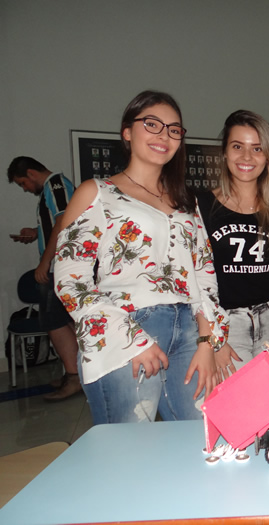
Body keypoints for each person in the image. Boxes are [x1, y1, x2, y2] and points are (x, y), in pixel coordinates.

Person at [53, 90, 232, 424]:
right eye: (152, 124)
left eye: (174, 129)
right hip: (125, 328)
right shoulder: (98, 193)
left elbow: (204, 274)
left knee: (203, 436)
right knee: (129, 445)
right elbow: (70, 279)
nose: (164, 135)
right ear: (127, 131)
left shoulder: (186, 201)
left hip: (189, 331)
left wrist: (207, 341)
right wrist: (130, 339)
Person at [198, 110, 269, 371]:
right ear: (225, 152)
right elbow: (195, 279)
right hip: (228, 324)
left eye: (257, 148)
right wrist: (214, 339)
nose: (247, 157)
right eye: (237, 146)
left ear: (268, 156)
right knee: (241, 396)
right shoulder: (200, 206)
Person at [7, 156, 81, 401]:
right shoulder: (53, 188)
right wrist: (36, 232)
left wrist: (45, 261)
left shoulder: (56, 185)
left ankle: (74, 377)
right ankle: (75, 372)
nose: (25, 189)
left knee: (52, 321)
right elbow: (56, 225)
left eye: (23, 183)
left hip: (60, 265)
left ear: (31, 173)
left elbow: (64, 223)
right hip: (60, 265)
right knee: (62, 321)